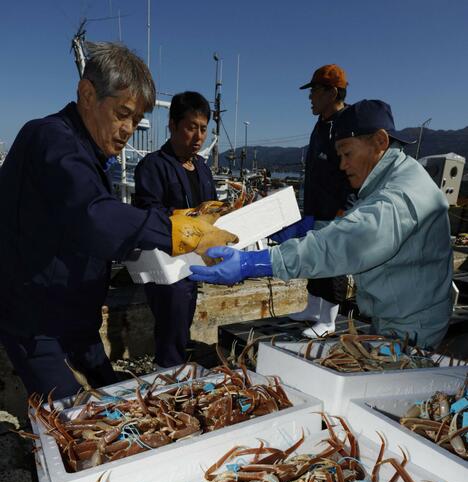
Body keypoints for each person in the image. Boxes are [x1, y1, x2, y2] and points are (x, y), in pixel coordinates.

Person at [0, 43, 236, 399]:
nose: (128, 130)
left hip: (79, 322)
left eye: (137, 121)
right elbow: (92, 216)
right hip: (37, 322)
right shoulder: (49, 137)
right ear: (87, 94)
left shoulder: (91, 156)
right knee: (75, 424)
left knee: (119, 403)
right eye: (122, 114)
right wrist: (178, 230)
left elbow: (106, 228)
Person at [190, 100, 453, 349]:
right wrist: (314, 225)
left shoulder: (398, 198)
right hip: (403, 315)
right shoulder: (396, 179)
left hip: (412, 330)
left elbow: (344, 244)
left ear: (380, 142)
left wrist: (255, 263)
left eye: (347, 152)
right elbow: (358, 225)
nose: (342, 164)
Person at [134, 92, 217, 368]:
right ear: (173, 125)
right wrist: (190, 218)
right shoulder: (153, 166)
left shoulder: (203, 168)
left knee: (183, 321)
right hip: (166, 264)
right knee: (172, 321)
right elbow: (150, 212)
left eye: (203, 129)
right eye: (191, 127)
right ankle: (166, 374)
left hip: (194, 260)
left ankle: (175, 366)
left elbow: (213, 208)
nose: (198, 136)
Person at [291, 64, 353, 337]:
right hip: (316, 208)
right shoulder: (321, 125)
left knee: (333, 263)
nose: (310, 97)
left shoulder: (347, 125)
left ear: (331, 92)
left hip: (337, 210)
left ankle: (328, 320)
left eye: (314, 90)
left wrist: (345, 209)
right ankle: (313, 308)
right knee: (315, 258)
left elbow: (354, 173)